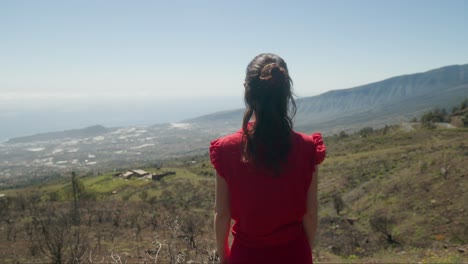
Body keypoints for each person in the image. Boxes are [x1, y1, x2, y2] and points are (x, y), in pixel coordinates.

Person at [210, 53, 326, 264]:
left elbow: (222, 214)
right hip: (295, 253)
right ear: (286, 93)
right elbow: (311, 213)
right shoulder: (308, 148)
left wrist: (224, 256)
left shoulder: (227, 150)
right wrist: (303, 251)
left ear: (248, 91)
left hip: (246, 256)